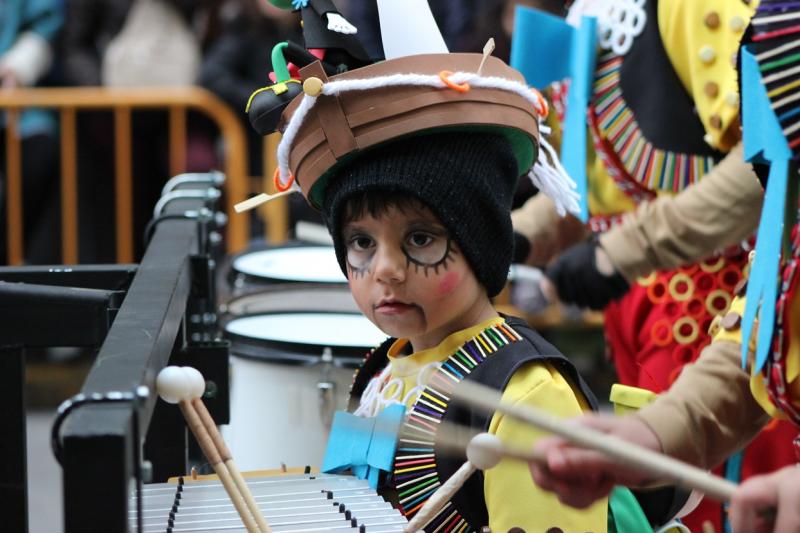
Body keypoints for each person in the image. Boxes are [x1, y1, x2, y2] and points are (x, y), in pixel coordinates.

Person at [263, 49, 610, 531]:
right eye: (361, 242)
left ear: (481, 242)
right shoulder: (384, 367)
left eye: (420, 239)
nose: (386, 270)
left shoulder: (528, 398)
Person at [510, 1, 798, 529]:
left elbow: (763, 166)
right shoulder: (598, 14)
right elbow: (591, 183)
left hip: (702, 305)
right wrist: (510, 234)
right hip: (681, 317)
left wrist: (625, 251)